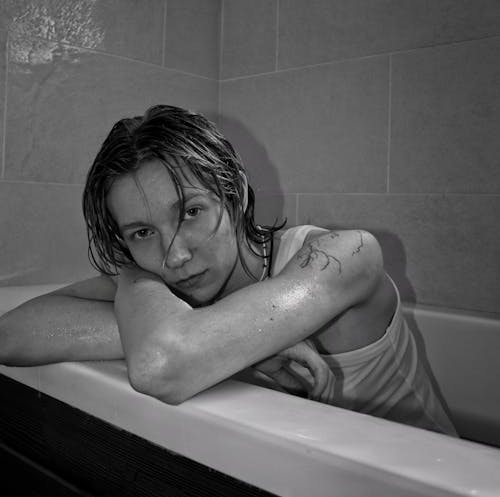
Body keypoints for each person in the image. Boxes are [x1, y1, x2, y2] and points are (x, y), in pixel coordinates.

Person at [0, 105, 456, 435]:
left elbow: (162, 364)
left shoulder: (345, 255)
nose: (174, 255)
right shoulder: (157, 277)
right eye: (141, 232)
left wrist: (198, 338)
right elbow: (11, 334)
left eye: (191, 212)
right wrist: (132, 277)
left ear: (232, 192)